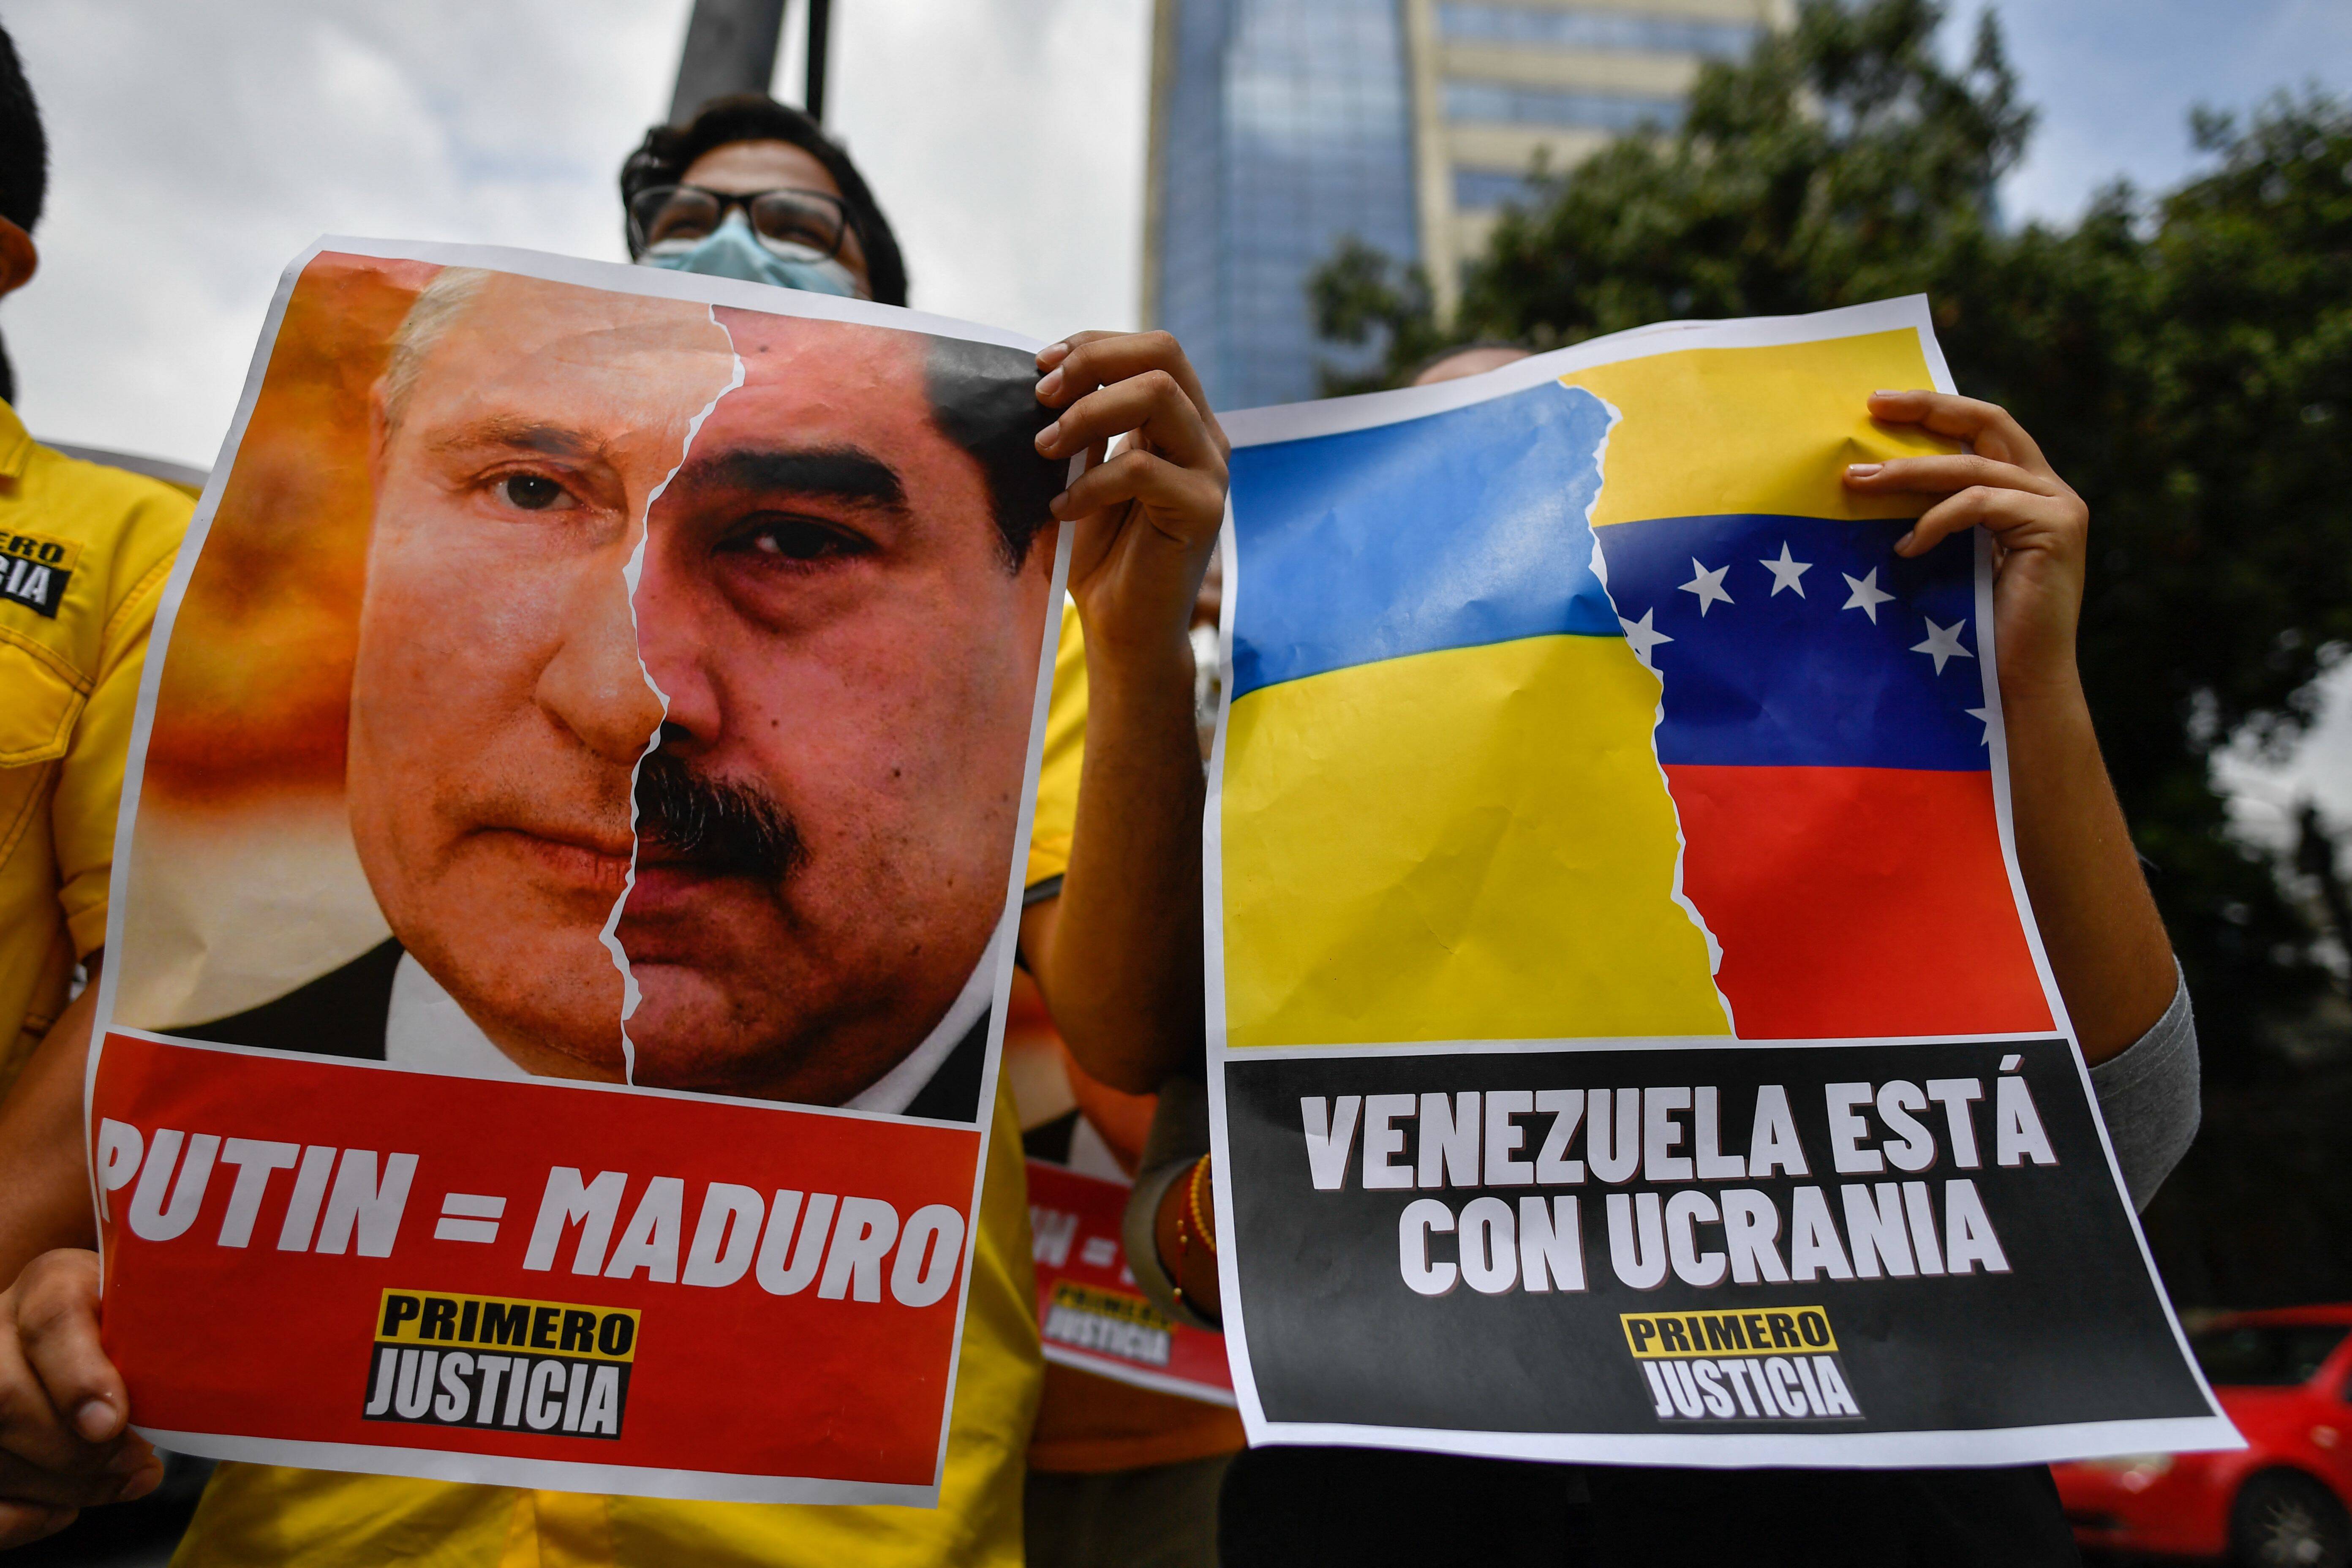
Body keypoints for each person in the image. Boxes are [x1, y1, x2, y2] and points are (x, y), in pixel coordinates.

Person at [0, 98, 1228, 1564]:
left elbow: (1121, 1016)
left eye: (795, 541)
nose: (624, 698)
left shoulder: (1051, 649)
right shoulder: (225, 979)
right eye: (531, 492)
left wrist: (1142, 635)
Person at [1128, 343, 2202, 1567]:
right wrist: (1262, 1204)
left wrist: (2034, 683)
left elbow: (2130, 1135)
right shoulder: (1287, 821)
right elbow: (1167, 1230)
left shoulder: (1861, 761)